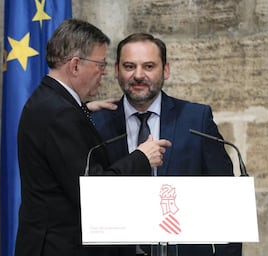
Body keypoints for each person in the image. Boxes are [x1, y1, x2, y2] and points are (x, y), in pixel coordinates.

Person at [15, 20, 171, 256]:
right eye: (100, 64)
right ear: (76, 65)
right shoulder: (60, 113)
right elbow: (92, 192)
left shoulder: (53, 102)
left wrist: (83, 109)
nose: (105, 71)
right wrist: (141, 157)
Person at [92, 33, 242, 256]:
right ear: (116, 71)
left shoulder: (196, 119)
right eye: (129, 66)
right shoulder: (96, 123)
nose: (139, 75)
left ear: (166, 70)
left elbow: (226, 203)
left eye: (149, 66)